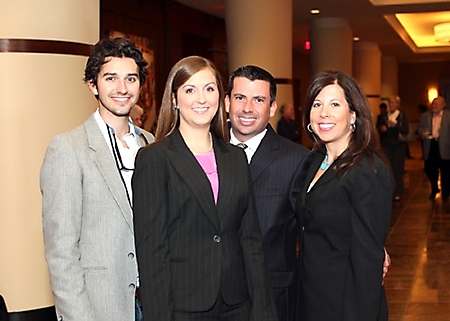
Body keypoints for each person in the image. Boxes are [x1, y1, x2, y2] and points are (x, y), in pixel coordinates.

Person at [132, 56, 277, 321]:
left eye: (209, 89)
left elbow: (250, 240)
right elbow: (152, 252)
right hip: (183, 307)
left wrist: (263, 310)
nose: (201, 99)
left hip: (238, 304)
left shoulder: (235, 157)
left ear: (221, 99)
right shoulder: (155, 159)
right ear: (175, 99)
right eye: (190, 90)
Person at [40, 37, 154, 321]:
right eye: (111, 78)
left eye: (131, 78)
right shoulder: (68, 148)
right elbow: (61, 252)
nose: (122, 89)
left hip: (153, 304)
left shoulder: (151, 145)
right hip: (100, 307)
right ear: (93, 84)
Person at [297, 71, 393, 320]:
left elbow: (367, 260)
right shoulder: (314, 161)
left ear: (353, 115)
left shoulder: (368, 170)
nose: (323, 113)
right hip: (311, 296)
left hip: (345, 303)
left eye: (335, 104)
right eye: (317, 104)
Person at [225, 65, 310, 321]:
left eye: (258, 100)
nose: (247, 108)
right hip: (214, 298)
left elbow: (317, 225)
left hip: (273, 297)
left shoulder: (297, 160)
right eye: (240, 98)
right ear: (227, 102)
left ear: (272, 107)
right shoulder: (204, 151)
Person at [377, 94, 410, 201]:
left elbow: (405, 130)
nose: (391, 105)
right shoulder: (384, 115)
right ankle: (389, 191)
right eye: (390, 103)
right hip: (387, 145)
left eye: (393, 103)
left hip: (399, 146)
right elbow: (378, 127)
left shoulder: (401, 115)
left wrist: (395, 125)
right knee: (388, 168)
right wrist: (382, 128)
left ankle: (398, 191)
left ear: (397, 104)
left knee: (398, 169)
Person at [417, 96, 450, 202]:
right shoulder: (425, 116)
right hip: (430, 145)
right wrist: (422, 133)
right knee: (429, 169)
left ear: (443, 105)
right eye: (433, 103)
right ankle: (435, 188)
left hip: (445, 147)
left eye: (436, 104)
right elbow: (419, 128)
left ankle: (445, 193)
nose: (434, 106)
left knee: (446, 171)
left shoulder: (448, 116)